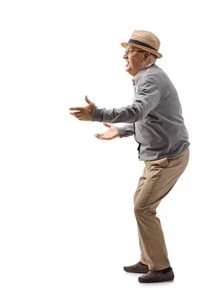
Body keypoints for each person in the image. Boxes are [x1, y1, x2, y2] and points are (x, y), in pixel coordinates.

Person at [69, 30, 189, 284]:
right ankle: (148, 259)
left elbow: (137, 111)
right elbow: (151, 119)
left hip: (167, 157)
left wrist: (97, 114)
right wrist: (121, 131)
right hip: (155, 155)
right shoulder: (145, 77)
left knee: (143, 208)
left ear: (147, 56)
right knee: (141, 204)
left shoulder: (151, 79)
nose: (125, 54)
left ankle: (162, 268)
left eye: (131, 50)